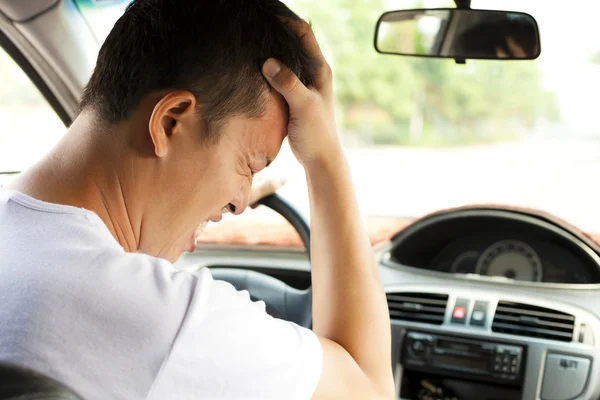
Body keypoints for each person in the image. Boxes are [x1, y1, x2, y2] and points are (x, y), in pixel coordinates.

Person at [0, 1, 394, 399]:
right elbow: (371, 389)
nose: (240, 203)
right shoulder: (160, 318)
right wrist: (324, 158)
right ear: (169, 121)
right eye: (249, 164)